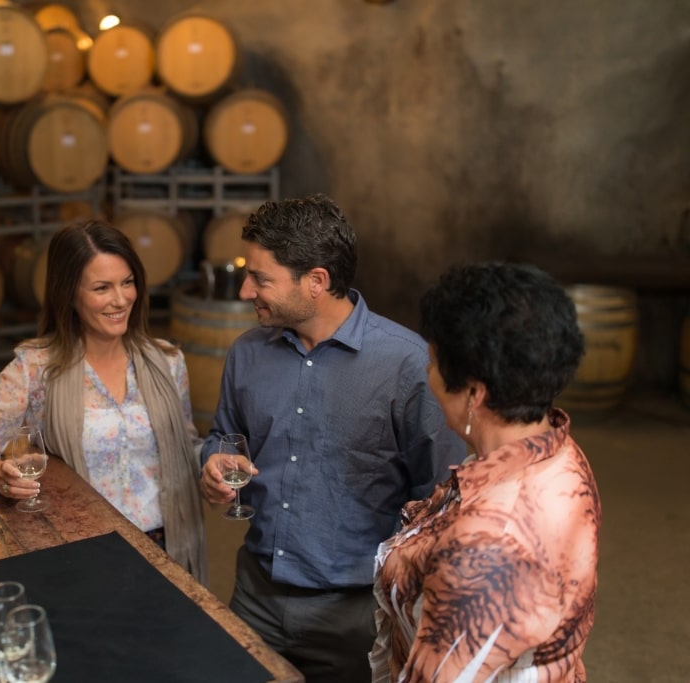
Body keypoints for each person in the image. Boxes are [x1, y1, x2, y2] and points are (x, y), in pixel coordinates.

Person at [199, 194, 467, 682]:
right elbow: (223, 435)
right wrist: (214, 461)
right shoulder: (247, 354)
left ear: (317, 281)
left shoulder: (408, 366)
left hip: (355, 616)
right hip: (254, 595)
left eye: (260, 278)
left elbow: (441, 503)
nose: (244, 291)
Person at [0, 220, 207, 581]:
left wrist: (215, 464)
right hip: (84, 549)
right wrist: (0, 475)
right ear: (69, 294)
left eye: (127, 282)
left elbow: (187, 447)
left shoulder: (167, 361)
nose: (121, 299)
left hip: (167, 546)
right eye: (101, 288)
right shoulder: (36, 369)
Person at [369, 262, 600, 682]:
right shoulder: (553, 446)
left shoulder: (489, 547)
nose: (427, 372)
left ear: (474, 393)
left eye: (434, 362)